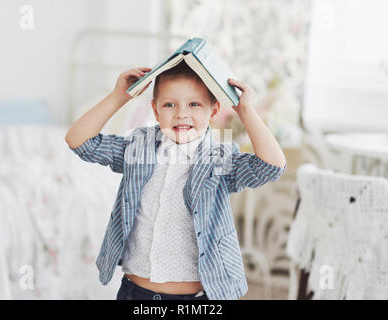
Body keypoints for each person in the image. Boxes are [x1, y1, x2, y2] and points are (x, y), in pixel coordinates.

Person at [65, 61, 287, 300]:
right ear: (155, 109)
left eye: (194, 104)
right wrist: (120, 96)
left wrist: (245, 110)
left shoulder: (219, 159)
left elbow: (271, 166)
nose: (182, 113)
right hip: (135, 293)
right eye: (169, 104)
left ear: (213, 110)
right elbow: (79, 141)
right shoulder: (138, 147)